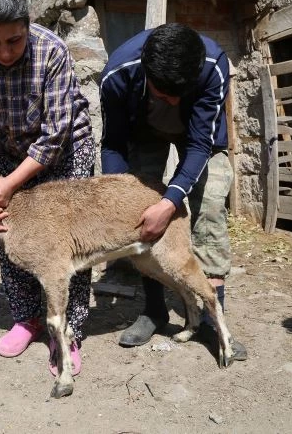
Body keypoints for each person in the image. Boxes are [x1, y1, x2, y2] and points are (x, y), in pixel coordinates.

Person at [0, 0, 95, 375]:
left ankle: (67, 331)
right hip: (7, 151)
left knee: (70, 244)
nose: (3, 52)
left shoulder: (52, 51)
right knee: (7, 235)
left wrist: (11, 183)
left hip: (66, 148)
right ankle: (28, 318)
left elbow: (55, 134)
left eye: (13, 41)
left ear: (28, 26)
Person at [99, 22, 247, 361]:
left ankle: (212, 320)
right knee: (139, 215)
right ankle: (154, 310)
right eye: (165, 93)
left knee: (210, 209)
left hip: (199, 135)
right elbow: (114, 143)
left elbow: (199, 144)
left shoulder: (213, 66)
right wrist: (118, 199)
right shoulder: (118, 75)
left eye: (182, 92)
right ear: (147, 73)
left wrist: (171, 200)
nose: (174, 100)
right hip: (142, 131)